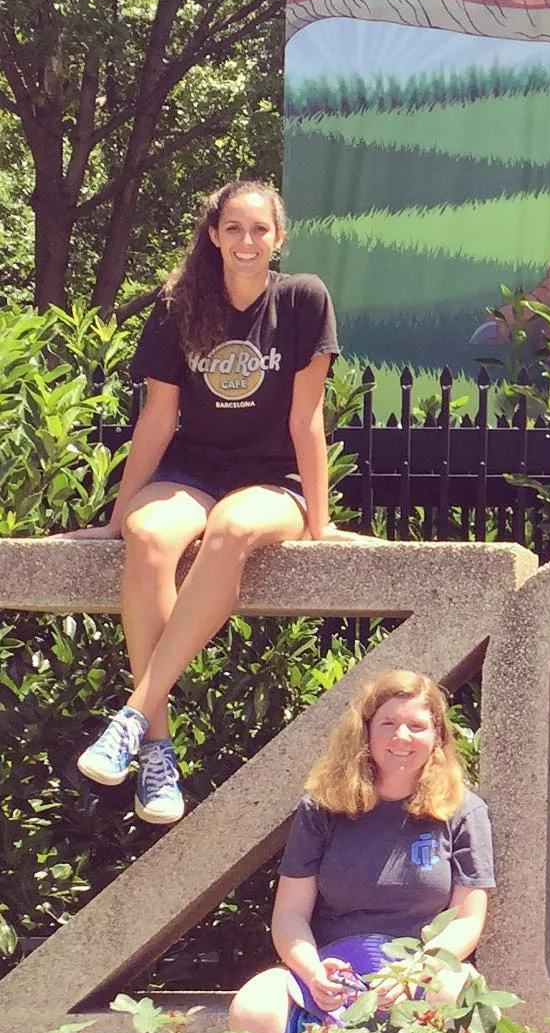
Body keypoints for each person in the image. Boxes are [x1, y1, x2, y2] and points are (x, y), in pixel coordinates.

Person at [63, 180, 343, 824]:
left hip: (273, 479)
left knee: (229, 530)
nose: (247, 241)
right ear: (214, 235)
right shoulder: (178, 306)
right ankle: (156, 747)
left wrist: (320, 523)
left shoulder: (303, 298)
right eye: (234, 228)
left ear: (279, 237)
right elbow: (157, 420)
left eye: (260, 229)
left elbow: (307, 418)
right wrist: (115, 521)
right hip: (193, 471)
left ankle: (133, 714)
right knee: (149, 535)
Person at [228, 670, 494, 1033]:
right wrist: (314, 972)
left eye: (417, 726)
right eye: (388, 724)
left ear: (437, 736)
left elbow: (468, 920)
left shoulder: (464, 811)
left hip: (423, 971)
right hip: (334, 974)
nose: (401, 737)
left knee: (459, 996)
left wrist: (414, 972)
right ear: (365, 732)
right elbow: (289, 913)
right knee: (254, 1008)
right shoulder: (321, 808)